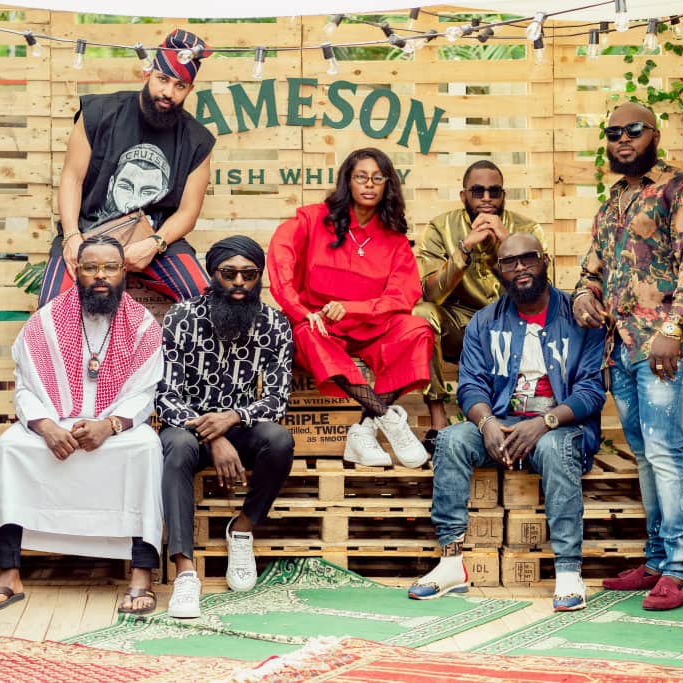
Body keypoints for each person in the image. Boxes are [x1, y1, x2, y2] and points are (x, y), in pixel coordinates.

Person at [408, 234, 605, 611]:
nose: (519, 268)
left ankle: (568, 570)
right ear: (498, 271)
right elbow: (470, 386)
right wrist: (487, 424)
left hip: (557, 430)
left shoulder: (578, 316)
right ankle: (451, 564)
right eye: (509, 263)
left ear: (544, 260)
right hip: (502, 425)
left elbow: (591, 391)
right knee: (451, 439)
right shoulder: (485, 322)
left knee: (556, 446)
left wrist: (545, 421)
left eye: (528, 259)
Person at [574, 102, 683, 611]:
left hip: (665, 349)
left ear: (654, 135)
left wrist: (672, 328)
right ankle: (656, 561)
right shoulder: (612, 203)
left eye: (633, 131)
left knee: (663, 451)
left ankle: (678, 570)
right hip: (621, 349)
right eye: (613, 132)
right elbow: (591, 271)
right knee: (644, 454)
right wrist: (583, 296)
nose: (622, 140)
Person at [0, 235, 164, 615]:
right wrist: (46, 427)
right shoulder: (45, 321)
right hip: (54, 424)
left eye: (110, 267)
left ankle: (141, 574)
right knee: (11, 447)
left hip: (115, 428)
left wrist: (109, 426)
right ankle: (9, 572)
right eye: (91, 267)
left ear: (123, 272)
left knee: (146, 448)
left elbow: (145, 392)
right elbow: (25, 388)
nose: (100, 275)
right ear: (76, 271)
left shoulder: (142, 325)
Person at [268, 147, 433, 469]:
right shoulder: (313, 219)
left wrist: (354, 309)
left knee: (418, 330)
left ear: (387, 185)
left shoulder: (395, 240)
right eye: (361, 177)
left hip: (370, 327)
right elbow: (280, 257)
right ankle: (391, 420)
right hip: (320, 326)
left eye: (377, 178)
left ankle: (364, 429)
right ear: (348, 181)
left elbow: (402, 295)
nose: (369, 184)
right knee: (307, 333)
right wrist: (301, 311)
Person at [158, 236, 295, 618]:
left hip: (240, 425)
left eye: (248, 275)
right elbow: (166, 396)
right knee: (178, 448)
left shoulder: (274, 323)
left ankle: (243, 529)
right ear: (212, 274)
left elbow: (277, 398)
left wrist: (232, 419)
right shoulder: (182, 317)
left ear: (259, 277)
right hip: (187, 426)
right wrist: (213, 435)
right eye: (229, 273)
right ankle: (186, 572)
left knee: (279, 440)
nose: (238, 282)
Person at [38, 28, 216, 306]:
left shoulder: (197, 140)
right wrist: (71, 236)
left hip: (155, 239)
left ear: (190, 89)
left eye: (180, 85)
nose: (168, 92)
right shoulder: (99, 113)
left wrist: (155, 243)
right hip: (88, 232)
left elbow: (188, 212)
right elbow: (72, 179)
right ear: (147, 73)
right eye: (162, 79)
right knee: (51, 307)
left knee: (204, 302)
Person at [415, 161, 547, 453]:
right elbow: (431, 293)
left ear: (503, 195)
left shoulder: (527, 229)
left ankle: (518, 422)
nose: (486, 198)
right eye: (478, 191)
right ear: (464, 196)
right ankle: (438, 422)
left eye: (494, 191)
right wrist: (464, 249)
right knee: (421, 315)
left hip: (513, 325)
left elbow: (540, 293)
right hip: (461, 327)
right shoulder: (440, 227)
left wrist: (507, 244)